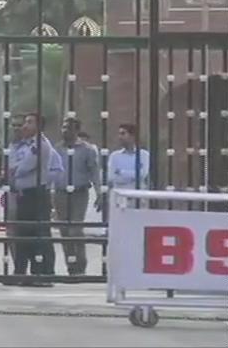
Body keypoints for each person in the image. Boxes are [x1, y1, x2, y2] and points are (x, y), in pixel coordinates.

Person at [9, 114, 64, 284]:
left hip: (36, 194)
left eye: (29, 122)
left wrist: (14, 169)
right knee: (24, 234)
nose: (24, 126)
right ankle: (23, 272)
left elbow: (24, 167)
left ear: (39, 126)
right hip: (24, 194)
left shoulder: (39, 144)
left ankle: (44, 273)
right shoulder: (24, 145)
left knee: (39, 234)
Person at [54, 118, 101, 276]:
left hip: (79, 193)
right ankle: (71, 265)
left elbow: (94, 172)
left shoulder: (87, 150)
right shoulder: (57, 148)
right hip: (60, 193)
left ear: (76, 130)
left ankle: (80, 265)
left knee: (75, 229)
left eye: (68, 128)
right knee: (64, 231)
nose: (64, 131)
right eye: (63, 127)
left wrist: (99, 192)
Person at [108, 124, 150, 191]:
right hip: (119, 195)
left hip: (138, 195)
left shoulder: (143, 155)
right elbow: (111, 177)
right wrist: (133, 176)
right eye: (119, 134)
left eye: (123, 134)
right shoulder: (114, 156)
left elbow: (142, 174)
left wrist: (121, 172)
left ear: (132, 136)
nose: (120, 137)